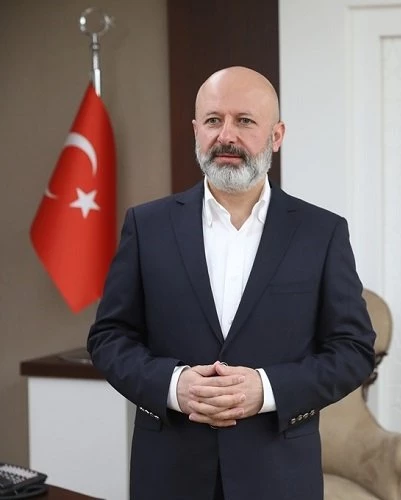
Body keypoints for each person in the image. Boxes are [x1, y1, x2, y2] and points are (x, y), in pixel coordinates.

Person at [87, 66, 376, 500]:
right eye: (213, 120)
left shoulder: (322, 233)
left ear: (276, 136)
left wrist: (267, 390)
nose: (226, 135)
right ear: (196, 131)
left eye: (244, 121)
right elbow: (109, 337)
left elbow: (353, 350)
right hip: (169, 475)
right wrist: (173, 386)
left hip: (279, 477)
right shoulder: (146, 226)